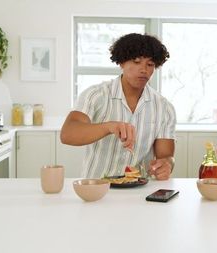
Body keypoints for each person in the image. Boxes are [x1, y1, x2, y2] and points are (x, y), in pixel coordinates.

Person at [60, 33, 176, 180]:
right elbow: (67, 134)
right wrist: (109, 127)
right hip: (96, 188)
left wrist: (167, 165)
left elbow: (166, 156)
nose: (143, 70)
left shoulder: (164, 108)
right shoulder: (95, 95)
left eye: (150, 64)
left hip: (140, 191)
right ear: (121, 63)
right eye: (136, 62)